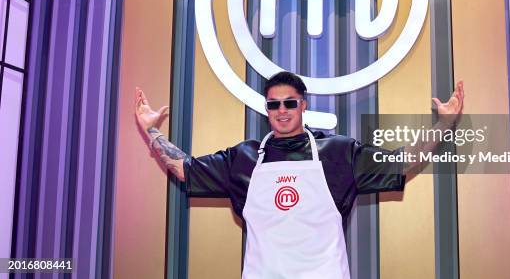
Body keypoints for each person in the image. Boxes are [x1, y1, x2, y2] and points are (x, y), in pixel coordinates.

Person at [134, 71, 464, 278]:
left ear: (303, 105)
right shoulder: (243, 157)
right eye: (273, 105)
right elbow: (183, 168)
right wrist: (152, 133)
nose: (281, 111)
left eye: (289, 103)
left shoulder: (339, 152)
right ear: (266, 109)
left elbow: (401, 163)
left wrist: (444, 124)